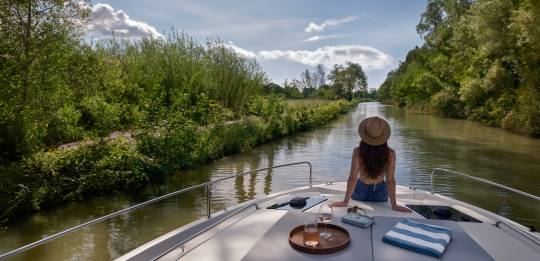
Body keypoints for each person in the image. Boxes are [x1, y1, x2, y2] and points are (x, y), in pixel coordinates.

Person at [331, 116, 411, 212]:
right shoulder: (390, 153)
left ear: (365, 135)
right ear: (383, 136)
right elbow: (390, 180)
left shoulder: (358, 152)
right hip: (380, 191)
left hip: (360, 190)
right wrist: (394, 205)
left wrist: (345, 201)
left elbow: (353, 177)